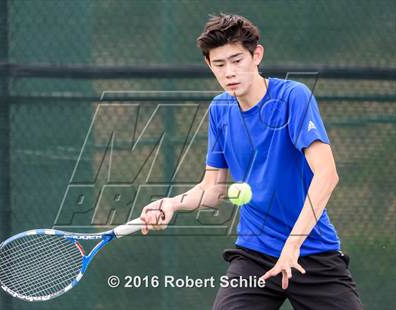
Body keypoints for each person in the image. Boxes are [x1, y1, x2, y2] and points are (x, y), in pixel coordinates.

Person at [140, 13, 363, 309]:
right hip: (255, 255)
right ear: (209, 65)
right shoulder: (220, 110)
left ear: (256, 55)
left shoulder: (293, 97)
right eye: (219, 64)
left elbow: (327, 175)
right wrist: (172, 203)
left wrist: (292, 245)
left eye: (237, 60)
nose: (229, 72)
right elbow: (213, 189)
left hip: (311, 251)